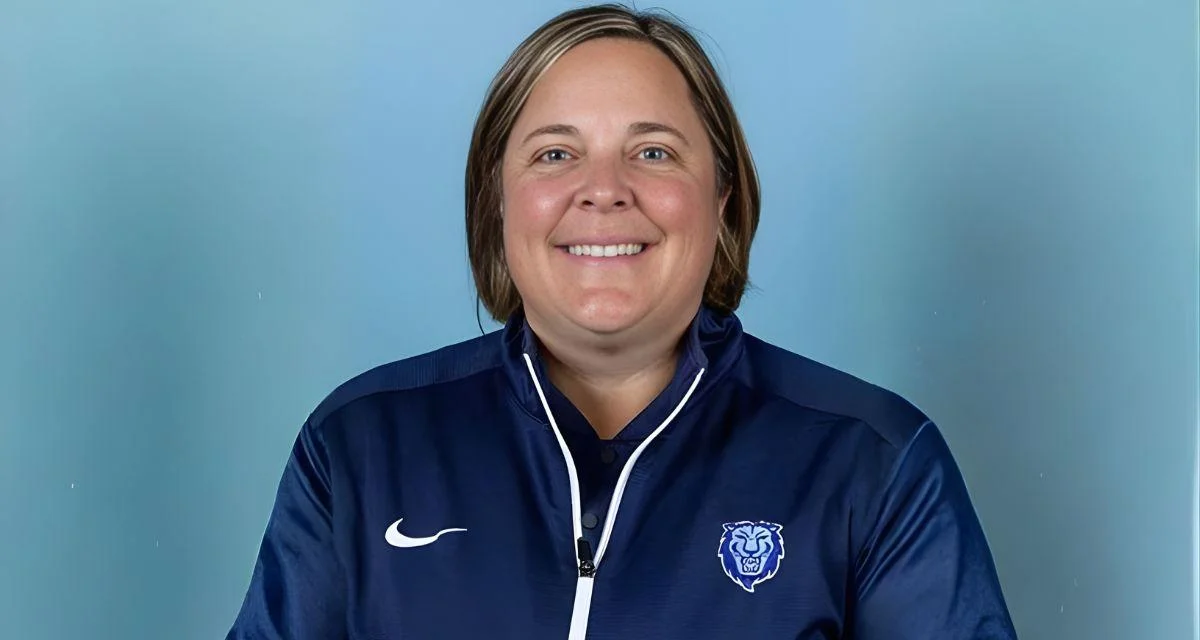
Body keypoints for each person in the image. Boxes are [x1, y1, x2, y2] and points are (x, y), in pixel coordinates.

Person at [227, 4, 1017, 638]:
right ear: (498, 199)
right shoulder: (361, 447)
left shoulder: (871, 462)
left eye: (654, 152)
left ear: (721, 196)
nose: (603, 189)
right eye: (555, 154)